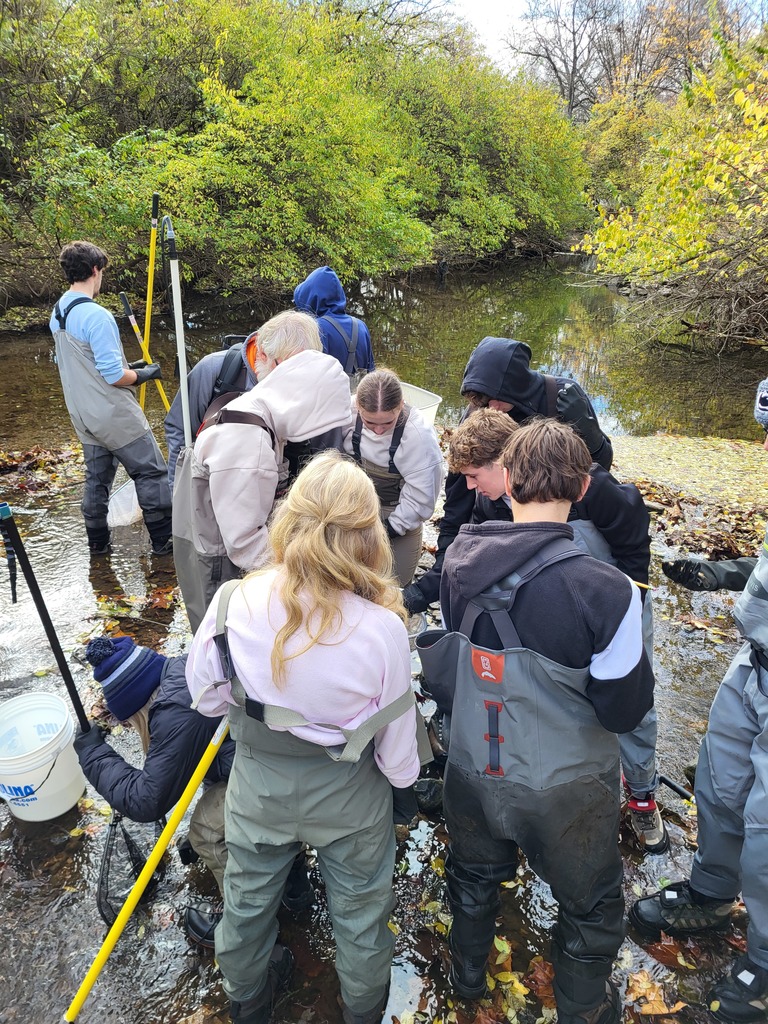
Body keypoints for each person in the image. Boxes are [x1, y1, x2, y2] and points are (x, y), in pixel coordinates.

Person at [417, 419, 653, 1024]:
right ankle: (581, 1011)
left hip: (472, 767)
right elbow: (623, 711)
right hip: (565, 788)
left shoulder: (459, 565)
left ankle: (467, 984)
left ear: (507, 483)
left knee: (473, 880)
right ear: (581, 488)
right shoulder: (611, 591)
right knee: (592, 908)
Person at [186, 451, 421, 1024]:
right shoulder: (384, 630)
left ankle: (248, 1003)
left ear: (287, 520)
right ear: (369, 537)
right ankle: (361, 1010)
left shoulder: (229, 604)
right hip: (348, 798)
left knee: (245, 903)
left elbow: (206, 697)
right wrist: (405, 788)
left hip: (259, 791)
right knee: (361, 915)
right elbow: (396, 752)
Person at [444, 408, 668, 853]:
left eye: (474, 476)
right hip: (554, 606)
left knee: (633, 704)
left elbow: (633, 541)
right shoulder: (489, 499)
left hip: (610, 601)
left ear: (502, 471)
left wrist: (625, 600)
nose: (470, 488)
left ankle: (641, 792)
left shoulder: (595, 487)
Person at [628, 379, 768, 1024]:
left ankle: (764, 964)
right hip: (755, 662)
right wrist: (725, 576)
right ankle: (714, 889)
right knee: (719, 780)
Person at [73, 635, 313, 948]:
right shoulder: (184, 668)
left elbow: (146, 800)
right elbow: (216, 758)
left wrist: (92, 753)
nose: (133, 728)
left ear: (138, 706)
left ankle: (247, 925)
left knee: (206, 829)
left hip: (286, 781)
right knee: (215, 802)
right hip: (293, 763)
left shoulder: (174, 713)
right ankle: (293, 882)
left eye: (132, 723)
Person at [172, 310, 352, 633]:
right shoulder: (248, 437)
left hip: (226, 527)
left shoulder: (263, 411)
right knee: (221, 631)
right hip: (214, 552)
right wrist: (302, 575)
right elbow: (243, 545)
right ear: (269, 360)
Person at [402, 337, 612, 613]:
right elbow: (458, 504)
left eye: (497, 400)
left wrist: (592, 436)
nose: (492, 409)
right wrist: (439, 577)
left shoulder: (561, 397)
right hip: (507, 523)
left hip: (568, 523)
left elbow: (600, 471)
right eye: (482, 402)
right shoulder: (480, 417)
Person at [50, 240, 172, 556]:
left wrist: (129, 366)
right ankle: (164, 544)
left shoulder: (59, 312)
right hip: (112, 413)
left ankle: (98, 547)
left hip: (83, 414)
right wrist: (144, 374)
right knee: (151, 472)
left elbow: (87, 364)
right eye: (101, 271)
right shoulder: (97, 316)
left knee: (97, 482)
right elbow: (113, 376)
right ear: (95, 270)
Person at [344, 369, 445, 588]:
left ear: (400, 405)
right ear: (358, 407)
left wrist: (387, 530)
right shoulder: (345, 413)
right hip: (355, 509)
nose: (378, 431)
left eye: (387, 423)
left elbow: (421, 498)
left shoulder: (419, 435)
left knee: (392, 589)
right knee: (348, 583)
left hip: (398, 515)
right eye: (370, 423)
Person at [165, 332, 260, 491]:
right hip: (210, 479)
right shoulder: (211, 368)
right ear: (263, 355)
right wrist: (179, 492)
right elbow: (178, 428)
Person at [293, 266, 375, 377]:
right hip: (357, 393)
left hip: (326, 394)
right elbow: (371, 373)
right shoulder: (361, 326)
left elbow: (305, 377)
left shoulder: (314, 329)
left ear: (311, 298)